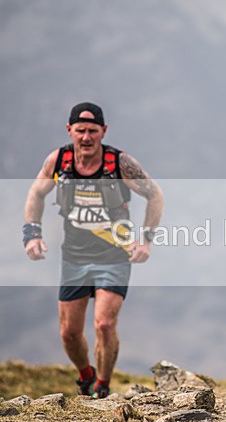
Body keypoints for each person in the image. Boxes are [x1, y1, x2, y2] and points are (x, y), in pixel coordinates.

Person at [23, 102, 164, 399]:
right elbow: (36, 192)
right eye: (80, 131)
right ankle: (85, 374)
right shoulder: (58, 161)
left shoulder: (119, 163)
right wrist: (32, 234)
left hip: (114, 256)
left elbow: (155, 195)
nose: (86, 138)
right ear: (69, 131)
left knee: (104, 323)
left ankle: (102, 385)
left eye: (93, 131)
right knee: (69, 333)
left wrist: (146, 239)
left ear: (104, 131)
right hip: (74, 257)